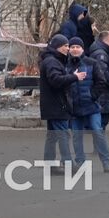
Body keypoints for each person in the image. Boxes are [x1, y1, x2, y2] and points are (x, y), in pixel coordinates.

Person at [66, 39, 109, 172]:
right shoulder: (66, 65)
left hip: (91, 106)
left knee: (97, 132)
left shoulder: (92, 63)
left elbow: (101, 81)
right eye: (72, 47)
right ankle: (80, 162)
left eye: (78, 47)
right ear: (69, 49)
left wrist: (92, 96)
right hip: (74, 108)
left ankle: (106, 161)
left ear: (82, 49)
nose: (75, 49)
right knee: (76, 136)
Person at [39, 34, 81, 164]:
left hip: (53, 105)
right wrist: (74, 77)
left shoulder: (53, 60)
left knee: (52, 137)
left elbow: (57, 78)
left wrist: (70, 76)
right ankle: (69, 163)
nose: (68, 48)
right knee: (63, 135)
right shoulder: (52, 61)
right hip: (57, 105)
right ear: (57, 47)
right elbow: (56, 80)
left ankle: (49, 164)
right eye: (65, 46)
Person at [87, 30, 109, 130]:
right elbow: (103, 72)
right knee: (101, 122)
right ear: (105, 41)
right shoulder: (101, 54)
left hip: (103, 93)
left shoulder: (102, 52)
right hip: (103, 94)